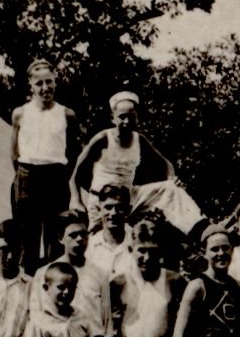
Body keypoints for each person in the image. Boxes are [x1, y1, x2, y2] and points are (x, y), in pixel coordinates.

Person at [70, 90, 199, 236]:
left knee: (171, 188)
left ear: (137, 117)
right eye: (122, 117)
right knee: (100, 239)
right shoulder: (103, 138)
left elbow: (166, 165)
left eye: (131, 117)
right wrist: (76, 200)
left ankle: (199, 230)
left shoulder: (139, 140)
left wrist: (172, 179)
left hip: (128, 197)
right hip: (103, 199)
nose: (126, 122)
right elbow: (75, 175)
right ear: (113, 118)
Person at [10, 59, 78, 273]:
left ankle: (53, 282)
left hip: (56, 176)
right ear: (30, 85)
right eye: (39, 84)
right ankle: (27, 282)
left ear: (55, 82)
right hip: (27, 175)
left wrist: (60, 175)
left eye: (49, 82)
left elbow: (73, 152)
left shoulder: (66, 114)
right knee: (27, 236)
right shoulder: (20, 113)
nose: (45, 88)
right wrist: (24, 175)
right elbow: (14, 151)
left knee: (55, 237)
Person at [110, 220, 184, 337]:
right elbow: (110, 325)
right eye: (141, 251)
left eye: (153, 251)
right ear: (131, 250)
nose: (147, 258)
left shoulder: (174, 280)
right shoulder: (118, 283)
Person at [30, 210, 113, 337]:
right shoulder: (44, 273)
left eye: (83, 234)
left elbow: (106, 320)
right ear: (60, 238)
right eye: (73, 235)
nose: (80, 239)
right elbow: (37, 316)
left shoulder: (99, 274)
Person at [85, 183, 133, 280]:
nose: (113, 213)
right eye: (108, 207)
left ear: (128, 211)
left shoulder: (137, 242)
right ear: (99, 210)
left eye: (119, 208)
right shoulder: (89, 246)